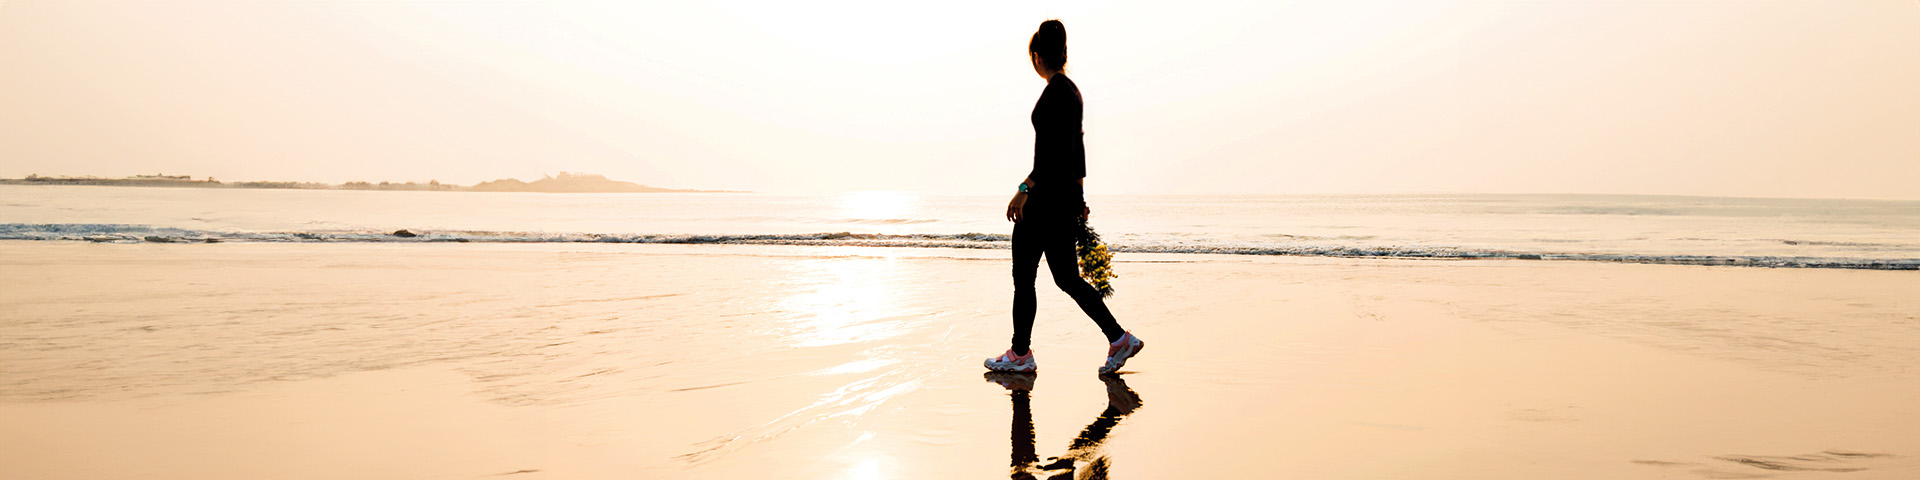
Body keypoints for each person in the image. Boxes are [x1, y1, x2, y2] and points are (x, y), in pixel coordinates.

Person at [984, 20, 1145, 375]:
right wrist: (1080, 196)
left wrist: (1024, 189)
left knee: (1024, 277)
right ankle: (1119, 339)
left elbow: (1051, 155)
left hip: (1045, 200)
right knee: (1066, 278)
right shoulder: (1072, 92)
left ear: (1037, 56)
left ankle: (1020, 355)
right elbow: (1078, 150)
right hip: (1063, 198)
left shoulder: (1055, 92)